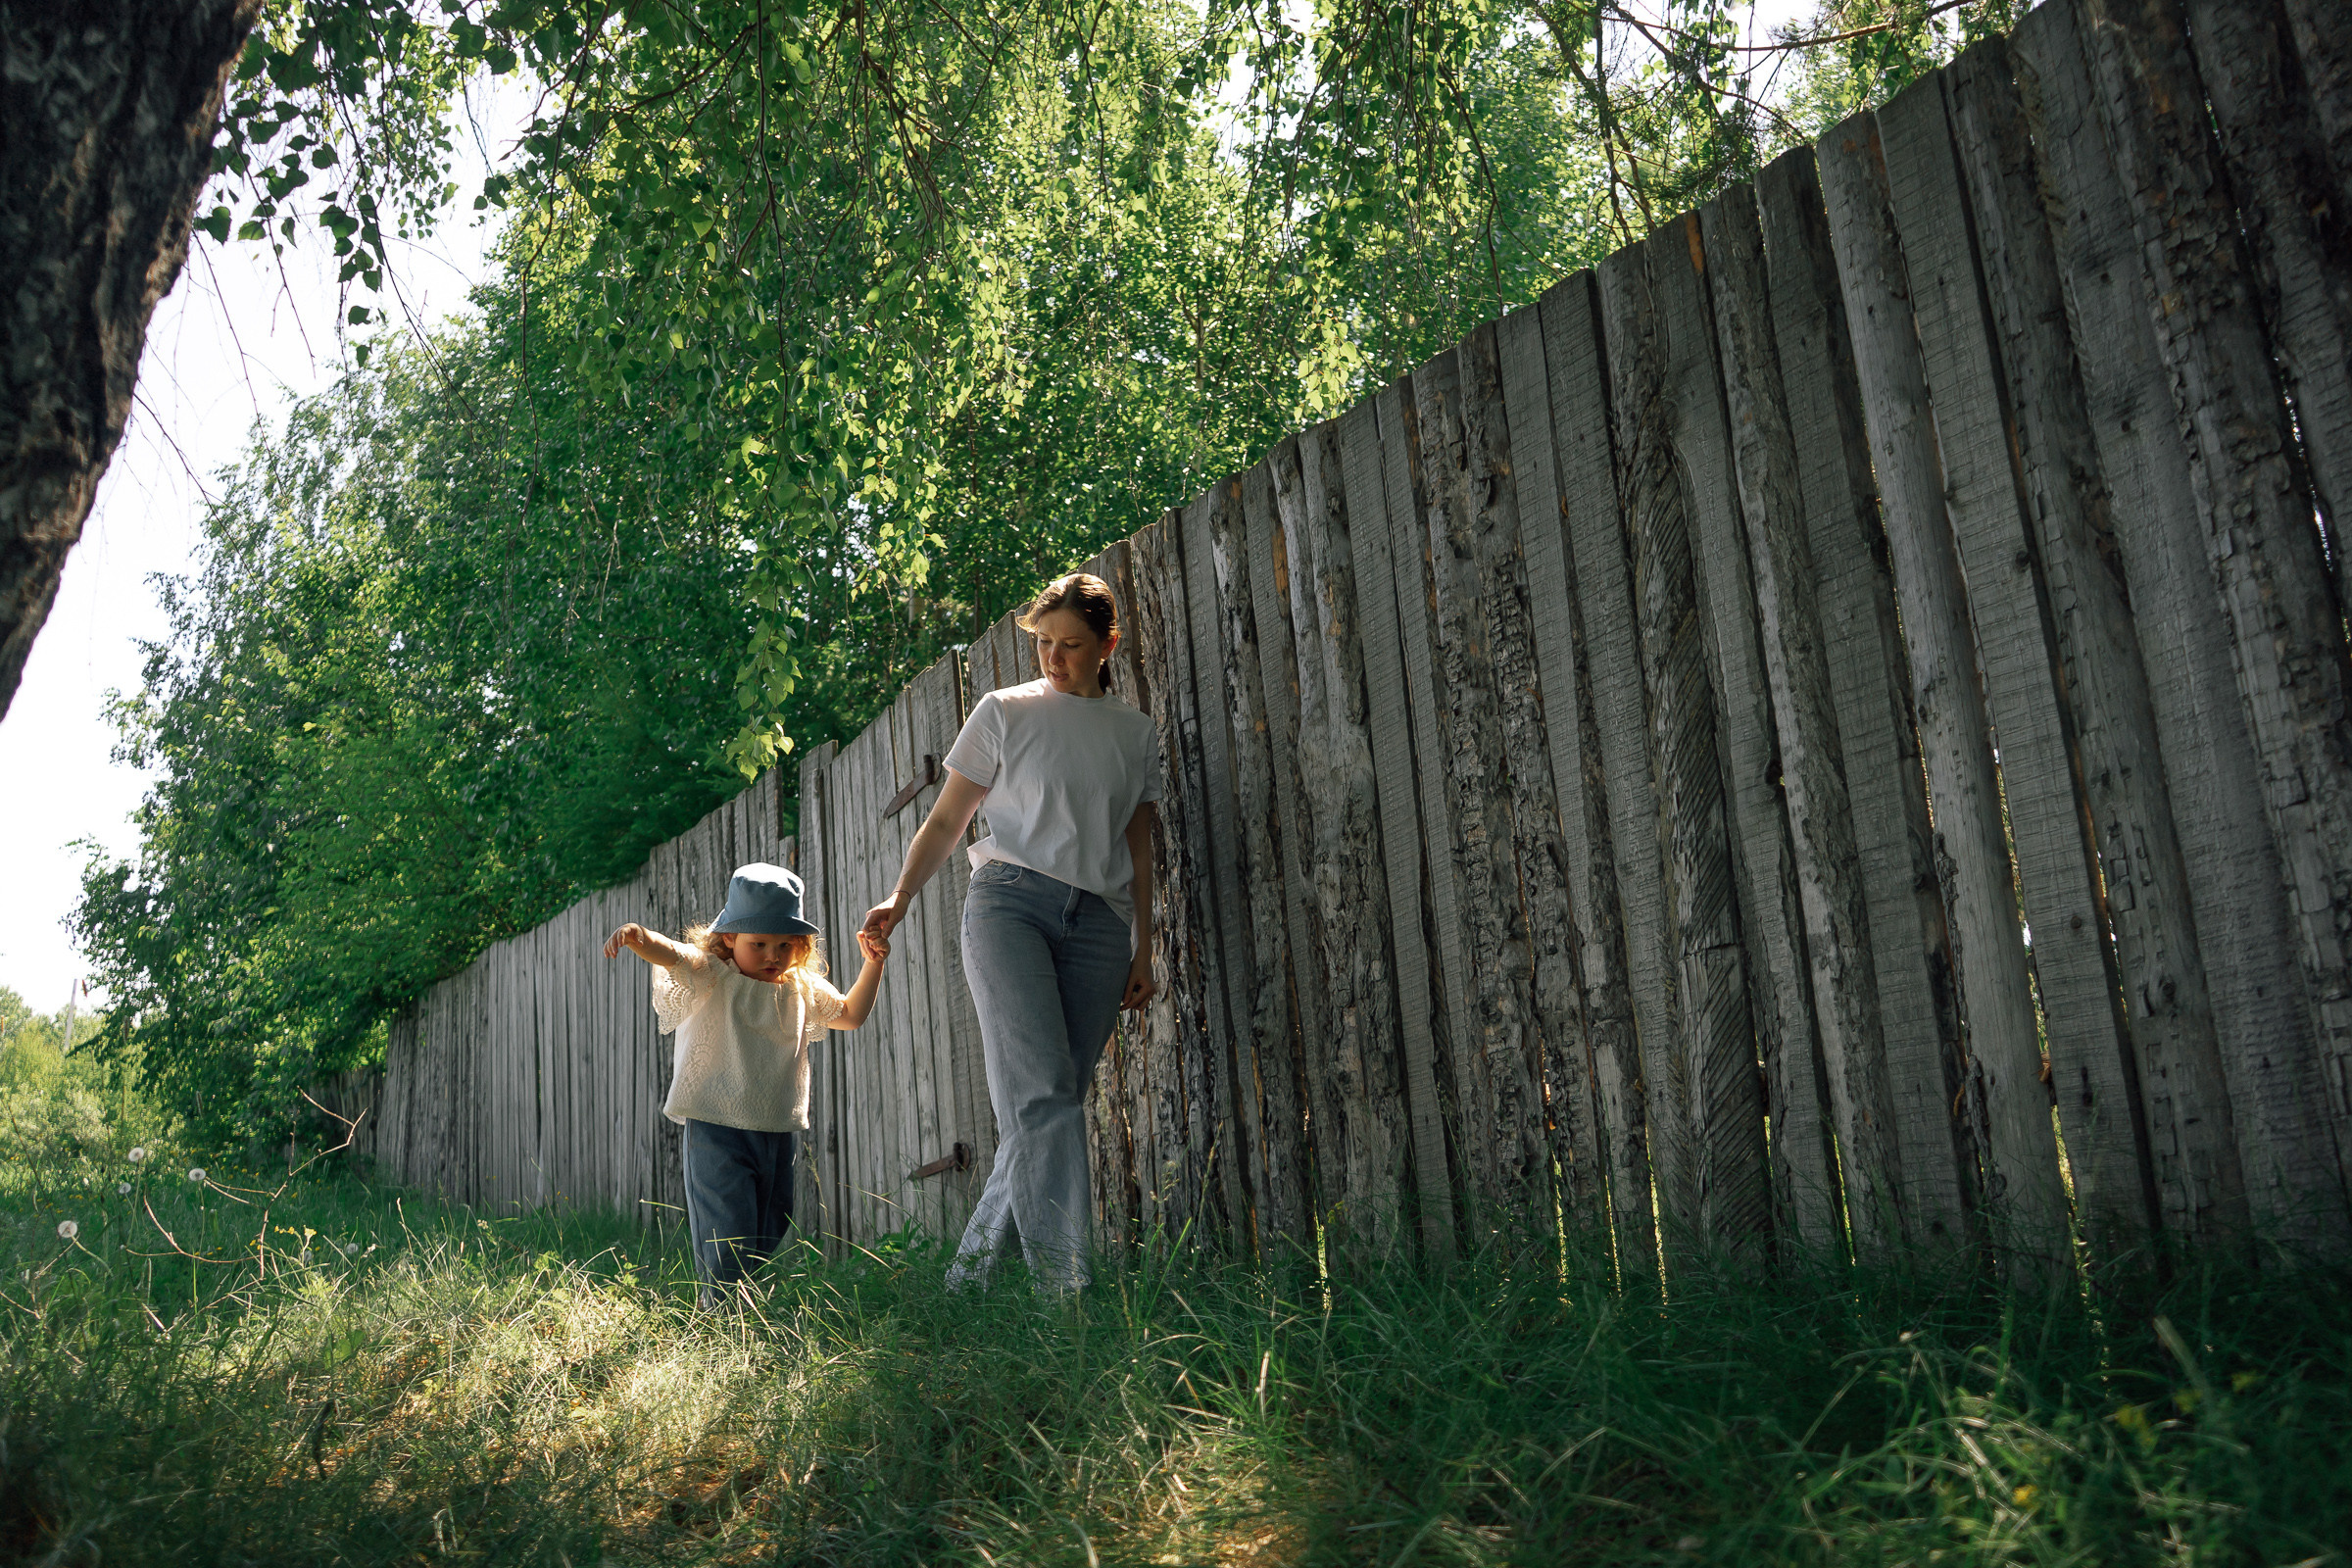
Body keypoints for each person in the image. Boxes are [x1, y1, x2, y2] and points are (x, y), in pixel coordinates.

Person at [863, 572, 1161, 1290]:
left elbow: (1141, 845)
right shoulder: (1003, 711)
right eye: (1044, 645)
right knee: (1041, 1103)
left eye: (1071, 646)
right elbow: (946, 821)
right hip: (1009, 907)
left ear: (1107, 645)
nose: (1054, 660)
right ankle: (1068, 1300)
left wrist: (1143, 944)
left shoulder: (1134, 732)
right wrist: (898, 899)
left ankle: (965, 1289)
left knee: (1047, 1107)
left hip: (1099, 926)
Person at [605, 861, 887, 1304]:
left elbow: (850, 1015)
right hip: (716, 1125)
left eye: (785, 944)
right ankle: (718, 1320)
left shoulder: (801, 986)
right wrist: (640, 938)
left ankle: (744, 1311)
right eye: (759, 944)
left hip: (775, 1129)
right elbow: (675, 955)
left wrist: (872, 965)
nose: (773, 955)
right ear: (729, 938)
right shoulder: (713, 974)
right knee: (726, 1229)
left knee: (770, 1224)